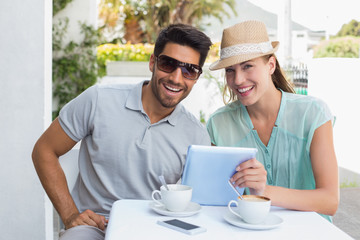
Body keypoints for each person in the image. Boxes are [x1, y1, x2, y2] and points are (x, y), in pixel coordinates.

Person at [32, 23, 212, 239]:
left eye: (189, 70)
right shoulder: (99, 99)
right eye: (167, 63)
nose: (176, 78)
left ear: (197, 77)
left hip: (153, 230)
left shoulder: (196, 135)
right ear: (153, 62)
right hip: (94, 227)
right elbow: (44, 150)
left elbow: (200, 202)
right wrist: (70, 214)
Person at [206, 20, 339, 221]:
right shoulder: (218, 124)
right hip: (246, 231)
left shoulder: (313, 114)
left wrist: (263, 191)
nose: (238, 79)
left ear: (270, 65)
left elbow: (329, 201)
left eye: (248, 66)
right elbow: (217, 197)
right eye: (230, 70)